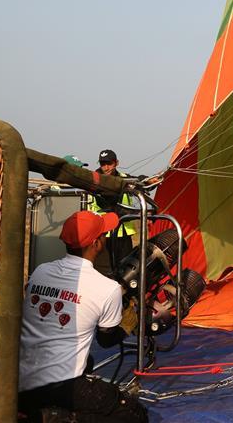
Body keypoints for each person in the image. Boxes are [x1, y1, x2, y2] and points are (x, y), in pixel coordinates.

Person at [18, 210, 146, 422]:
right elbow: (106, 340)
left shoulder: (40, 271)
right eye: (103, 235)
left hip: (20, 381)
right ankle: (58, 418)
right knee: (133, 414)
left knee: (88, 361)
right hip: (60, 386)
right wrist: (126, 326)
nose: (105, 239)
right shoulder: (108, 288)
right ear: (96, 243)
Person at [87, 149, 137, 276]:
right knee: (103, 271)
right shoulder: (92, 180)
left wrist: (150, 181)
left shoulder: (125, 179)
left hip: (123, 232)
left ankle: (124, 295)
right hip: (103, 234)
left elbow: (140, 183)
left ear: (116, 163)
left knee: (126, 271)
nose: (106, 167)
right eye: (103, 164)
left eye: (109, 163)